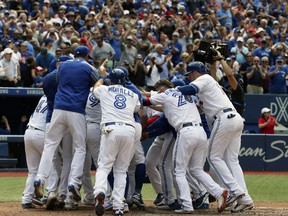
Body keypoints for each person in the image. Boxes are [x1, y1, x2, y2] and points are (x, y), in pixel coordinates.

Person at [178, 61, 254, 213]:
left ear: (195, 72)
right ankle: (244, 198)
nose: (189, 78)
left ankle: (237, 192)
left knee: (213, 157)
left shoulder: (203, 79)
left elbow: (189, 89)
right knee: (232, 160)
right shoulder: (210, 82)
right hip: (235, 119)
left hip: (223, 118)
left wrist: (171, 91)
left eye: (190, 74)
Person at [143, 79, 228, 214]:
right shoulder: (187, 95)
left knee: (179, 171)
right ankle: (218, 192)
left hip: (185, 131)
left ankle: (186, 205)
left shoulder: (168, 93)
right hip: (200, 132)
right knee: (196, 169)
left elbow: (145, 102)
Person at [33, 46, 99, 205]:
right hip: (76, 110)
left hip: (58, 109)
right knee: (80, 148)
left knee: (50, 145)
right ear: (86, 56)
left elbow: (58, 81)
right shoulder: (88, 67)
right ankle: (74, 183)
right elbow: (98, 85)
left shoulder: (63, 66)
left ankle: (40, 178)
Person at [93, 68, 140, 216]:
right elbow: (137, 108)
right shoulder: (133, 94)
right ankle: (118, 206)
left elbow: (95, 88)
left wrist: (101, 77)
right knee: (121, 170)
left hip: (111, 128)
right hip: (129, 130)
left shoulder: (105, 89)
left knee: (104, 166)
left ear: (111, 80)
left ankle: (100, 191)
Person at [22, 95, 48, 209]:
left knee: (33, 171)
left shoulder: (43, 97)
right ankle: (49, 195)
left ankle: (27, 199)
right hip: (41, 134)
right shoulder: (57, 97)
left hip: (29, 132)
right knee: (52, 165)